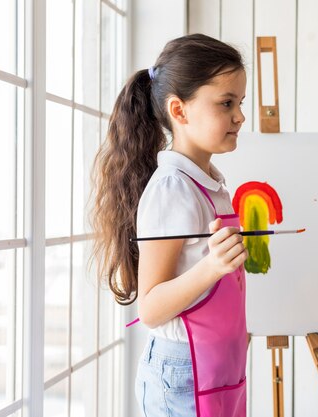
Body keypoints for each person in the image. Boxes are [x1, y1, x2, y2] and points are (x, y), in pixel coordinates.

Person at [91, 33, 249, 417]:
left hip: (215, 364)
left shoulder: (209, 180)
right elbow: (151, 307)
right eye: (226, 103)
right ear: (179, 111)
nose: (240, 116)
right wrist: (212, 267)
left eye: (240, 103)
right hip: (183, 371)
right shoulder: (173, 188)